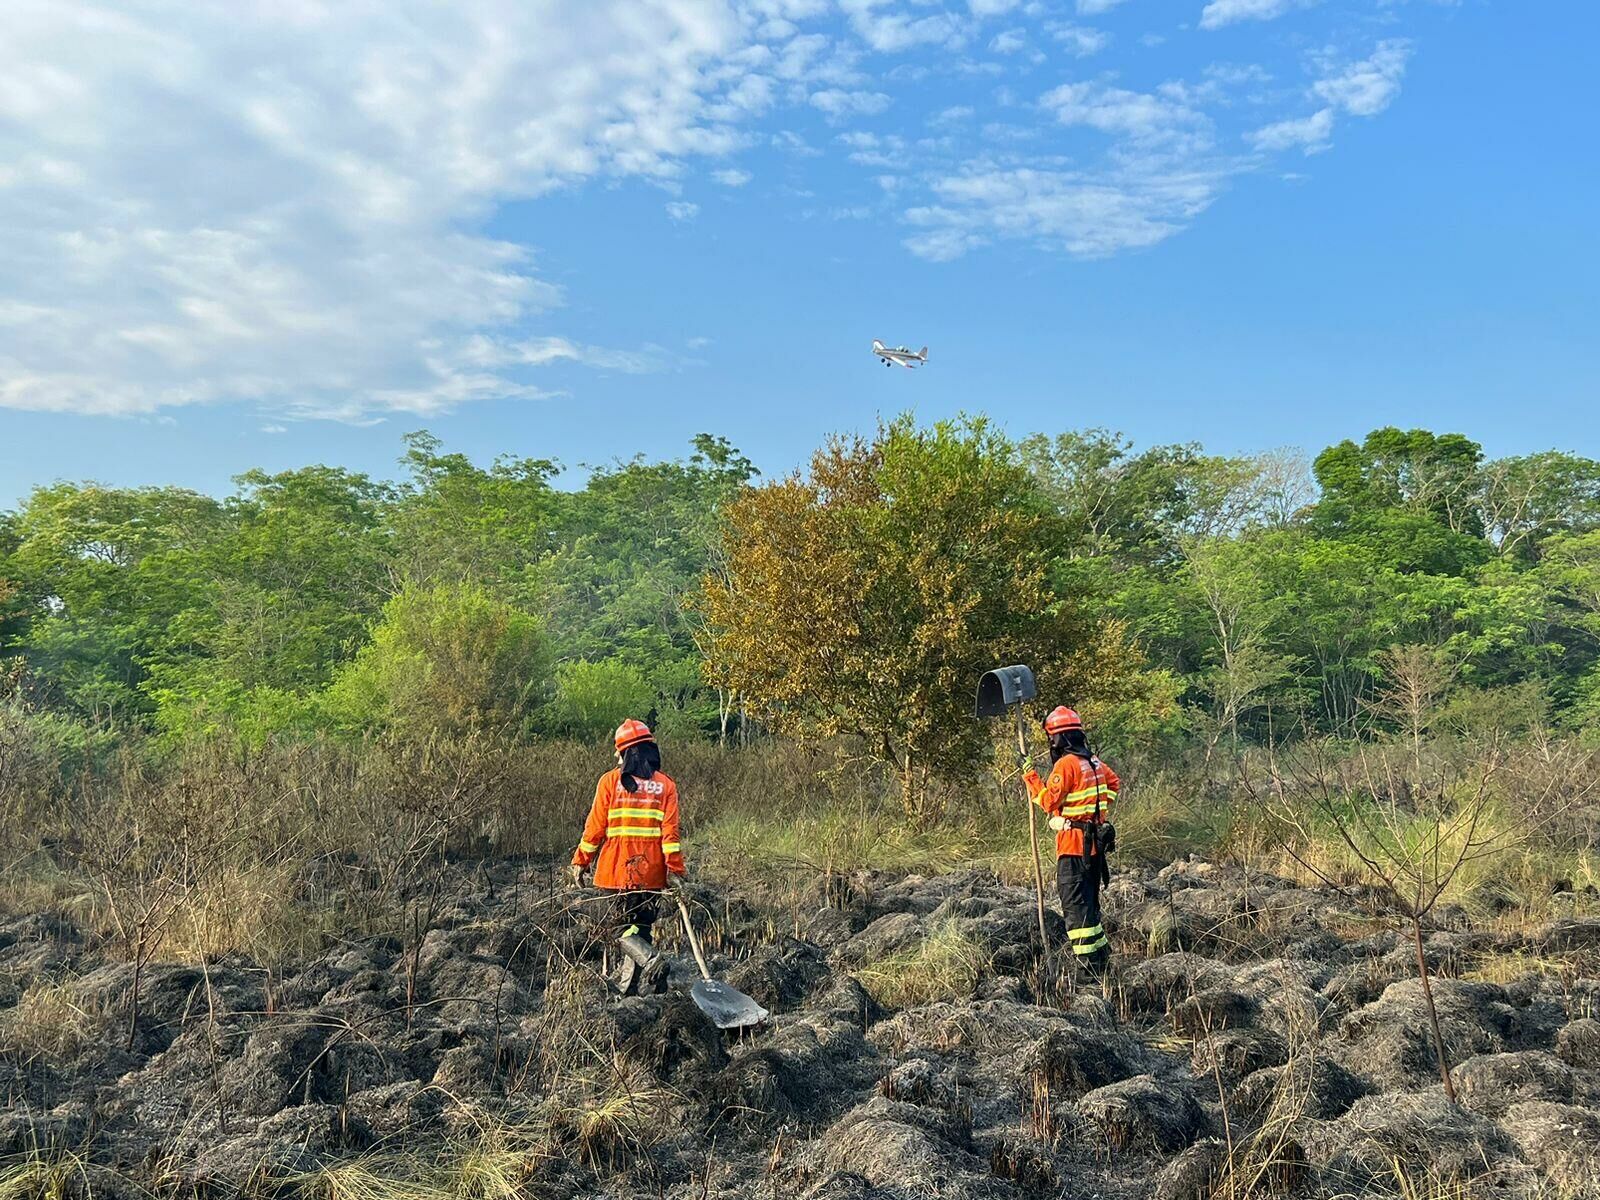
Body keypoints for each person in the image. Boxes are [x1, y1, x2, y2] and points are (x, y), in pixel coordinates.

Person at [569, 718, 685, 990]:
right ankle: (628, 991)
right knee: (640, 930)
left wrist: (581, 861)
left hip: (616, 872)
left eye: (617, 750)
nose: (614, 755)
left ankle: (651, 958)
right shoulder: (666, 785)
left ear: (625, 752)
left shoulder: (610, 782)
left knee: (618, 930)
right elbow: (671, 836)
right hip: (653, 875)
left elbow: (595, 827)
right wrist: (676, 871)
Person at [1021, 706, 1119, 973]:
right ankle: (1101, 962)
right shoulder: (1094, 762)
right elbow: (1114, 784)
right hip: (1095, 849)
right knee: (1089, 905)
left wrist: (1030, 775)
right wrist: (1094, 813)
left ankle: (1088, 971)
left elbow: (1048, 800)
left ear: (1058, 739)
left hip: (1074, 848)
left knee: (1076, 910)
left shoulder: (1066, 765)